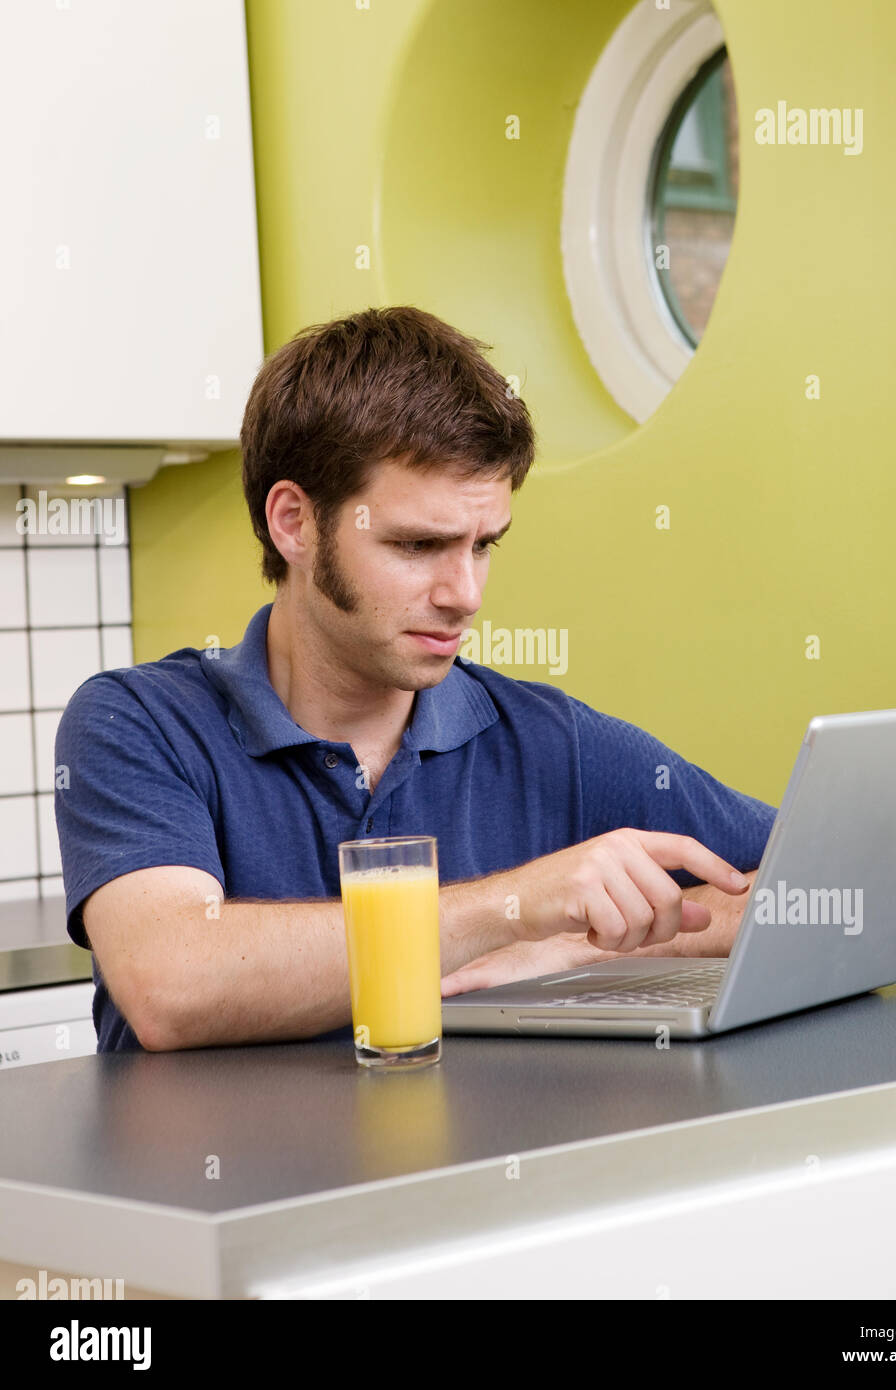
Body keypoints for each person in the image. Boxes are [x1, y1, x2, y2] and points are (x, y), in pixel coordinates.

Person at [54, 306, 777, 1052]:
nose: (464, 593)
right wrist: (513, 908)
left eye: (483, 545)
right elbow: (175, 984)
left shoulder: (552, 740)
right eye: (418, 544)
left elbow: (810, 891)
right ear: (294, 523)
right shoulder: (136, 723)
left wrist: (574, 948)